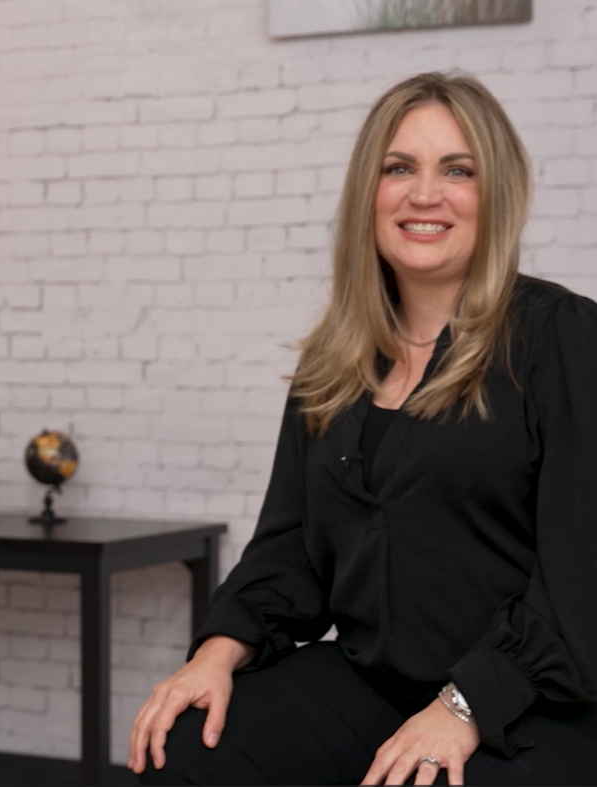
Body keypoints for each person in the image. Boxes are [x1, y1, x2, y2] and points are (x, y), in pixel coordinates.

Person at [127, 72, 597, 785]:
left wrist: (465, 705)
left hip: (532, 701)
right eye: (398, 168)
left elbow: (582, 572)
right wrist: (214, 656)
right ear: (367, 193)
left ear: (496, 192)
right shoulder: (336, 358)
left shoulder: (560, 336)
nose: (424, 194)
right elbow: (289, 548)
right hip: (376, 683)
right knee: (185, 746)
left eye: (458, 170)